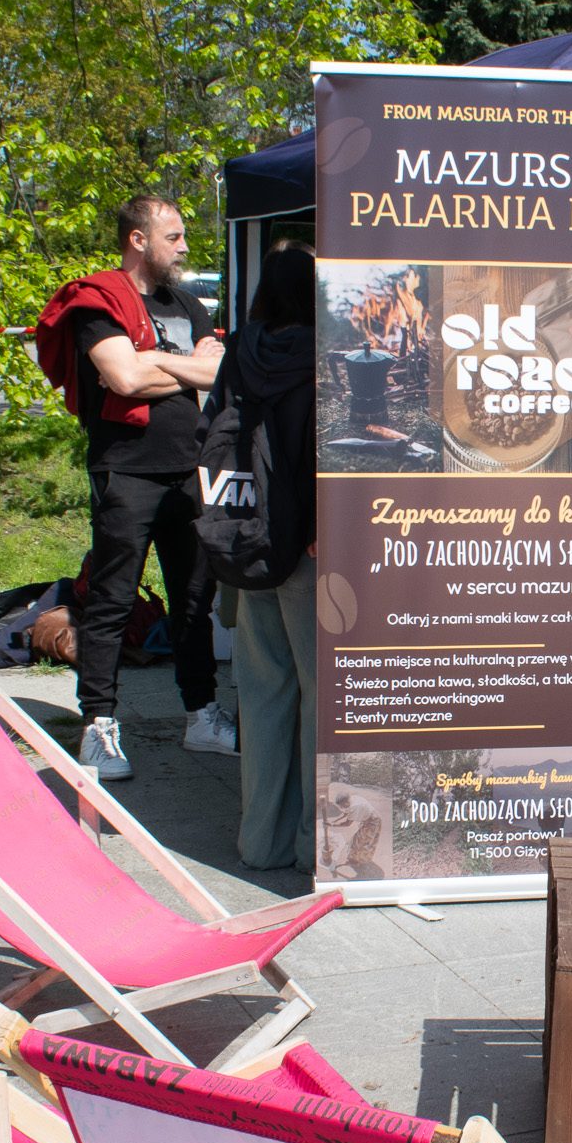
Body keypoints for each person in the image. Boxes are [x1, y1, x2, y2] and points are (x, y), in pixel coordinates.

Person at [35, 193, 232, 781]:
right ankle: (98, 725)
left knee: (194, 601)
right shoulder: (98, 301)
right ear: (138, 240)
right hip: (125, 470)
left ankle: (202, 715)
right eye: (174, 237)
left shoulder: (187, 304)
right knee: (112, 599)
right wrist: (183, 363)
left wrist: (156, 361)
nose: (185, 247)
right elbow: (121, 378)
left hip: (189, 468)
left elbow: (218, 373)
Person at [207, 242, 318, 873]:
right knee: (320, 698)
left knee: (264, 693)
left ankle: (261, 841)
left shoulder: (239, 352)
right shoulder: (321, 356)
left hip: (250, 541)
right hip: (309, 547)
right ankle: (311, 847)